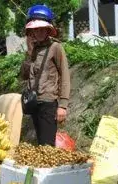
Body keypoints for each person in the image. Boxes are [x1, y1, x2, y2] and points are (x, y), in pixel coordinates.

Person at [20, 4, 70, 146]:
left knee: (47, 145)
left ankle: (49, 169)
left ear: (49, 30)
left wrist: (63, 106)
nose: (40, 32)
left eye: (43, 29)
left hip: (49, 103)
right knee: (41, 143)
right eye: (36, 29)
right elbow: (24, 76)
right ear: (31, 31)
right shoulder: (33, 49)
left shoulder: (56, 48)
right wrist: (29, 55)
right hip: (34, 103)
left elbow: (65, 76)